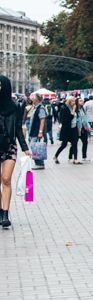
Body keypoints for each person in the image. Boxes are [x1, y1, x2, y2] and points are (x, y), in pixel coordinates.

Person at [0, 76, 31, 228]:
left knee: (6, 179)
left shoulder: (15, 107)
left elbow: (18, 128)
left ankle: (5, 213)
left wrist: (25, 148)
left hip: (9, 145)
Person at [54, 96, 79, 165]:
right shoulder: (64, 108)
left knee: (75, 143)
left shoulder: (72, 107)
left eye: (74, 101)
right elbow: (65, 120)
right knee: (64, 144)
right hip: (66, 129)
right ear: (69, 101)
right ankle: (56, 156)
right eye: (73, 101)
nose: (74, 103)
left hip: (73, 128)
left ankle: (75, 159)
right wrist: (73, 112)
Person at [27, 94, 46, 170]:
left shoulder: (40, 108)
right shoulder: (35, 107)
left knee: (35, 147)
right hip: (33, 131)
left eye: (33, 97)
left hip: (36, 131)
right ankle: (38, 163)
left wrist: (40, 131)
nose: (32, 98)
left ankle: (39, 163)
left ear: (37, 99)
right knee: (34, 146)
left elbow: (42, 120)